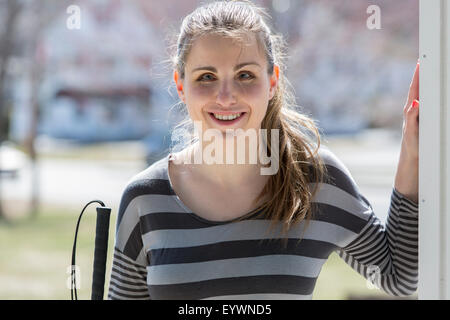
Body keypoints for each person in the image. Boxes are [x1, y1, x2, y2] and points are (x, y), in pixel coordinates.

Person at [107, 0, 419, 300]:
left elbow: (397, 277)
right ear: (180, 85)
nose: (226, 96)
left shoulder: (316, 181)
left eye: (245, 75)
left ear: (272, 82)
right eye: (206, 77)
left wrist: (412, 152)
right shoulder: (144, 199)